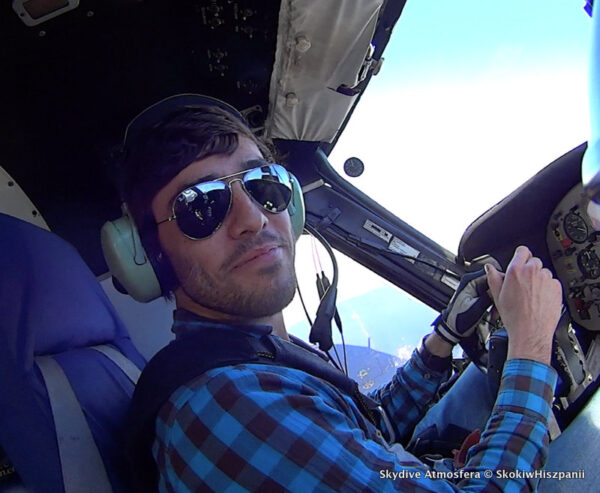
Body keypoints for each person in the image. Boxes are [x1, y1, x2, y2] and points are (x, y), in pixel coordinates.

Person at [120, 94, 563, 492]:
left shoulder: (253, 357)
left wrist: (440, 340)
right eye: (201, 205)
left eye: (261, 182)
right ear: (151, 256)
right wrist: (531, 346)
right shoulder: (227, 406)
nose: (253, 219)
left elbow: (368, 431)